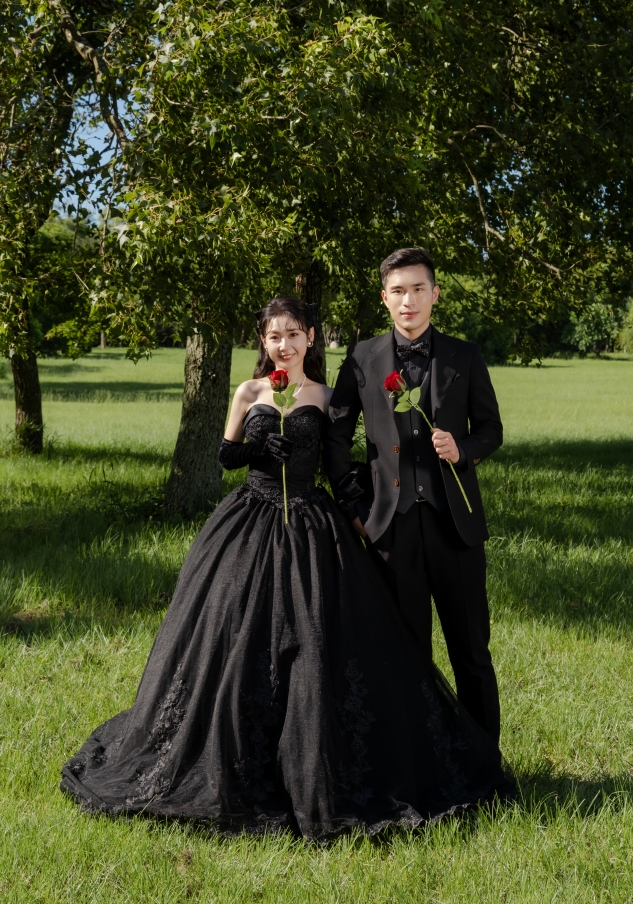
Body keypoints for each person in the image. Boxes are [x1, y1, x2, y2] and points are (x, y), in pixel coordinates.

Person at [61, 296, 512, 841]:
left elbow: (340, 454)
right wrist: (257, 451)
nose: (285, 344)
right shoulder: (248, 391)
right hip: (249, 522)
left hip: (310, 525)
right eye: (275, 336)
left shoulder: (323, 395)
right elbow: (225, 456)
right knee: (233, 635)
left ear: (310, 338)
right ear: (263, 342)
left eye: (294, 334)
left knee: (318, 639)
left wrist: (359, 503)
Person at [324, 248, 503, 745]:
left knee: (472, 652)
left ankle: (484, 765)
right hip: (389, 529)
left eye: (418, 289)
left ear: (435, 294)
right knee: (403, 654)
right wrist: (354, 507)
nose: (409, 301)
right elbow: (335, 437)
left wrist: (463, 450)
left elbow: (491, 429)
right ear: (384, 298)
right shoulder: (360, 358)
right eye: (398, 291)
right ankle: (417, 765)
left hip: (456, 528)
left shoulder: (465, 356)